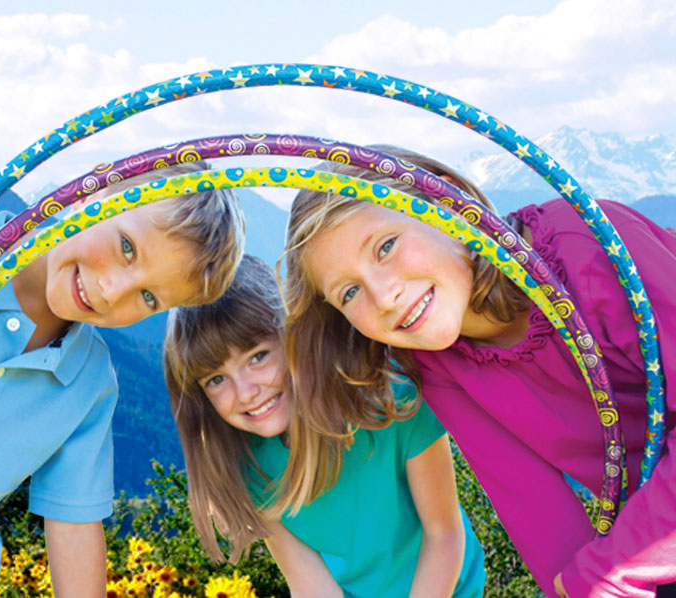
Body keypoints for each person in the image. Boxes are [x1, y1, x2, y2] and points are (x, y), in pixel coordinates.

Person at [280, 144, 676, 598]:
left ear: (446, 209)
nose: (384, 296)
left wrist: (600, 579)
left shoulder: (589, 247)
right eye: (349, 292)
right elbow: (534, 508)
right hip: (645, 548)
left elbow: (593, 578)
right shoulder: (437, 360)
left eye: (386, 247)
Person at [0, 159, 245, 597]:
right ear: (95, 189)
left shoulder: (88, 384)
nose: (112, 290)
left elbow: (74, 526)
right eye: (127, 247)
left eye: (148, 297)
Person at [163, 254, 486, 598]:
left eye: (258, 357)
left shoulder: (392, 404)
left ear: (293, 339)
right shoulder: (246, 466)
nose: (245, 393)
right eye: (216, 379)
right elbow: (309, 584)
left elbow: (444, 536)